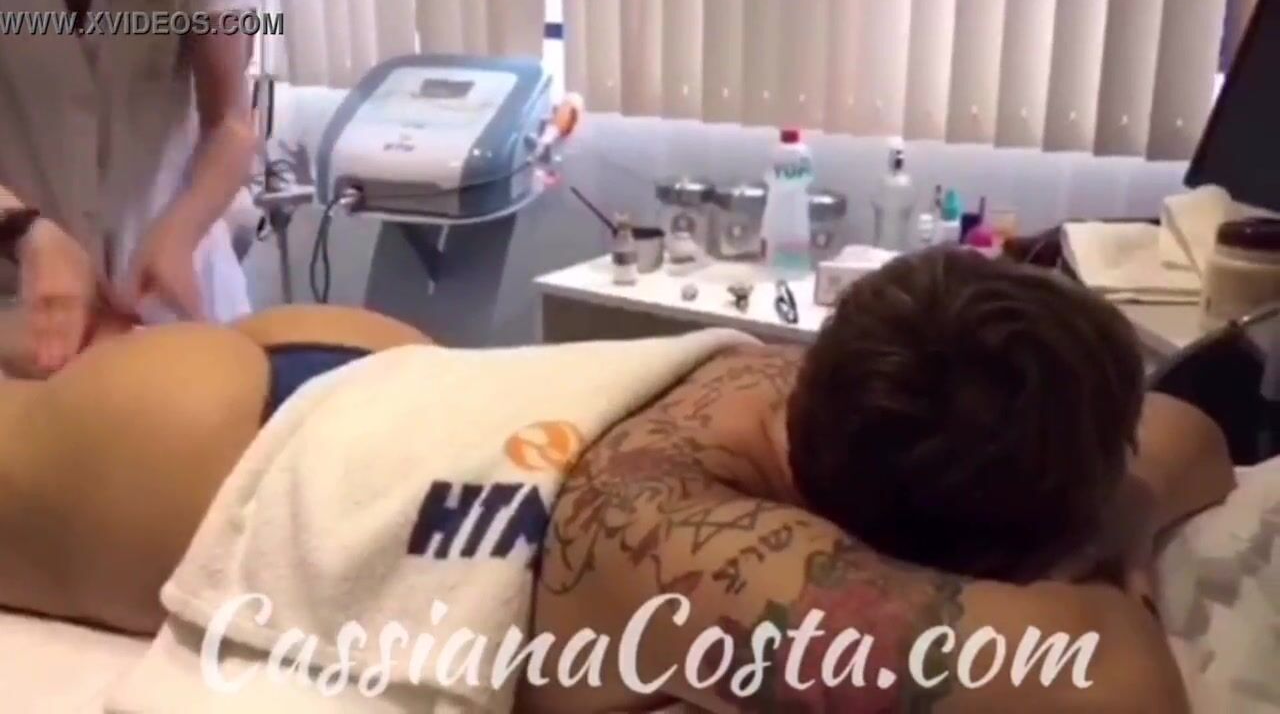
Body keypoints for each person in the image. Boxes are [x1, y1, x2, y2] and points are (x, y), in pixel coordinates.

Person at [0, 247, 1232, 712]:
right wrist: (1092, 532)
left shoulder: (841, 377)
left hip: (371, 390)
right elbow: (1111, 686)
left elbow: (1189, 432)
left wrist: (1115, 502)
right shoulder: (694, 552)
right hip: (187, 462)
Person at [0, 0, 260, 378]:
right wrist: (22, 229)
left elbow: (232, 124)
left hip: (177, 296)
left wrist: (181, 230)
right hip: (25, 306)